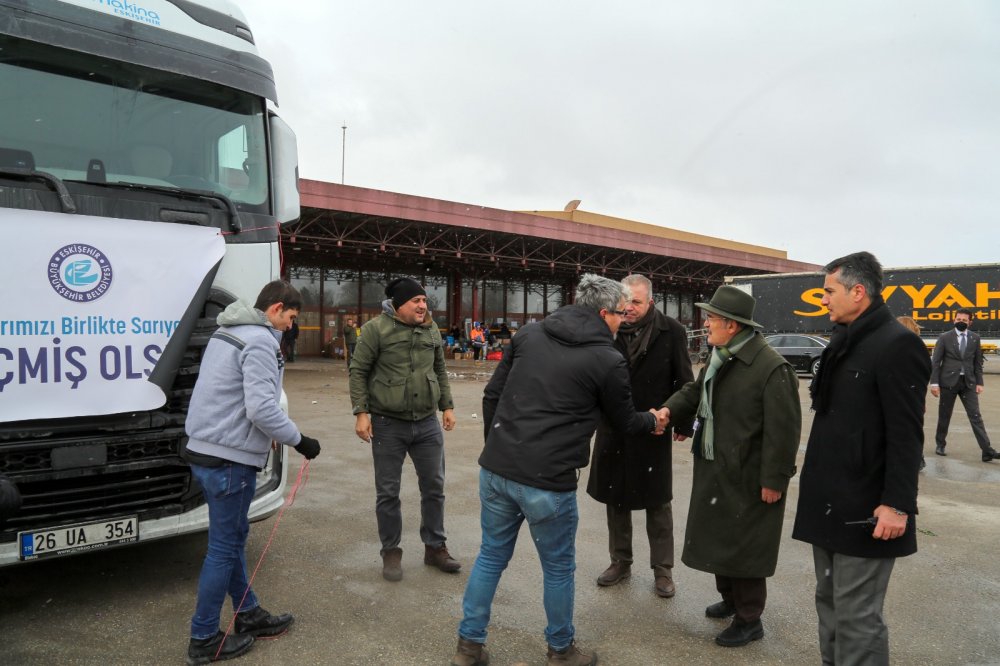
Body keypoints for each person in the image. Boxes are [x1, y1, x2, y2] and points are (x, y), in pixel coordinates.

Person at [451, 274, 667, 666]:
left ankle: (469, 646)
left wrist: (500, 447)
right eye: (620, 314)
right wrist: (653, 420)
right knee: (558, 569)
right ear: (602, 313)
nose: (624, 321)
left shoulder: (529, 335)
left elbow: (492, 396)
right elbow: (623, 421)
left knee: (491, 557)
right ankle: (561, 650)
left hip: (497, 470)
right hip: (548, 482)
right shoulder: (607, 359)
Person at [792, 252, 930, 666]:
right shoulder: (843, 341)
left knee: (857, 616)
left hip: (867, 508)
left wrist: (897, 505)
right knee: (829, 603)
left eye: (828, 291)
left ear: (857, 292)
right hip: (829, 502)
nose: (823, 300)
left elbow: (906, 436)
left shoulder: (897, 344)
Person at [183, 280, 322, 665]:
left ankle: (248, 613)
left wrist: (266, 435)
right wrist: (299, 439)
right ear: (276, 309)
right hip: (229, 460)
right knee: (224, 549)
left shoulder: (227, 332)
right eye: (291, 317)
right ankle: (203, 638)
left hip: (205, 450)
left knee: (232, 540)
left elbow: (226, 394)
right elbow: (261, 408)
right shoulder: (260, 341)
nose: (291, 326)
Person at [661, 285, 800, 648]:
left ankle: (749, 619)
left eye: (711, 319)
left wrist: (774, 480)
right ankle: (730, 599)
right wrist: (668, 411)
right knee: (719, 538)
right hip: (717, 467)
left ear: (733, 325)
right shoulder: (722, 357)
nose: (706, 324)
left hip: (749, 475)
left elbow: (783, 432)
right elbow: (695, 393)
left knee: (745, 546)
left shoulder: (771, 368)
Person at [587, 274, 694, 599]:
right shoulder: (606, 327)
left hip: (653, 429)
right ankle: (620, 562)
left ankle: (663, 570)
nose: (630, 308)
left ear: (651, 302)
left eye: (636, 301)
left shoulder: (671, 331)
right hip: (614, 428)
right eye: (626, 301)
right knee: (615, 499)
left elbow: (684, 381)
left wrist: (681, 422)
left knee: (657, 502)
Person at [349, 277, 460, 582]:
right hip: (387, 424)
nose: (423, 305)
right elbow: (358, 371)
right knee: (388, 492)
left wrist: (447, 406)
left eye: (424, 300)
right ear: (399, 305)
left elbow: (439, 369)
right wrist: (361, 412)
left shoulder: (431, 329)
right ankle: (391, 551)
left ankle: (435, 547)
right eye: (416, 301)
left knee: (434, 487)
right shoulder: (375, 330)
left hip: (426, 422)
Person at [930, 308, 998, 462]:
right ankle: (940, 444)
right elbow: (936, 362)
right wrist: (934, 383)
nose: (961, 322)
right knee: (944, 415)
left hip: (968, 383)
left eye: (964, 320)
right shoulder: (944, 337)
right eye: (958, 319)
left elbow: (977, 362)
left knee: (975, 416)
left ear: (970, 322)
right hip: (948, 383)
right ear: (954, 320)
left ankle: (987, 450)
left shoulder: (975, 338)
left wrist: (979, 382)